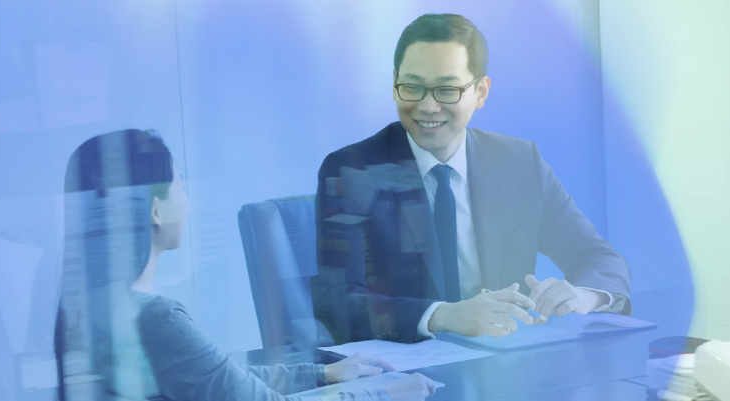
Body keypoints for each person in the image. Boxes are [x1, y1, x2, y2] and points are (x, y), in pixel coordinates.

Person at [311, 14, 631, 345]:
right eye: (412, 87)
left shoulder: (520, 163)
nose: (427, 106)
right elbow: (335, 300)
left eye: (447, 90)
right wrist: (444, 316)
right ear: (394, 85)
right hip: (404, 366)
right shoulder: (351, 170)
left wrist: (584, 295)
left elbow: (599, 257)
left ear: (480, 92)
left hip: (508, 362)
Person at [53, 129, 437, 400]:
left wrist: (323, 373)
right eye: (181, 187)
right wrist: (382, 394)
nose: (187, 203)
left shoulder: (88, 307)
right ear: (156, 210)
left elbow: (222, 381)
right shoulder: (154, 319)